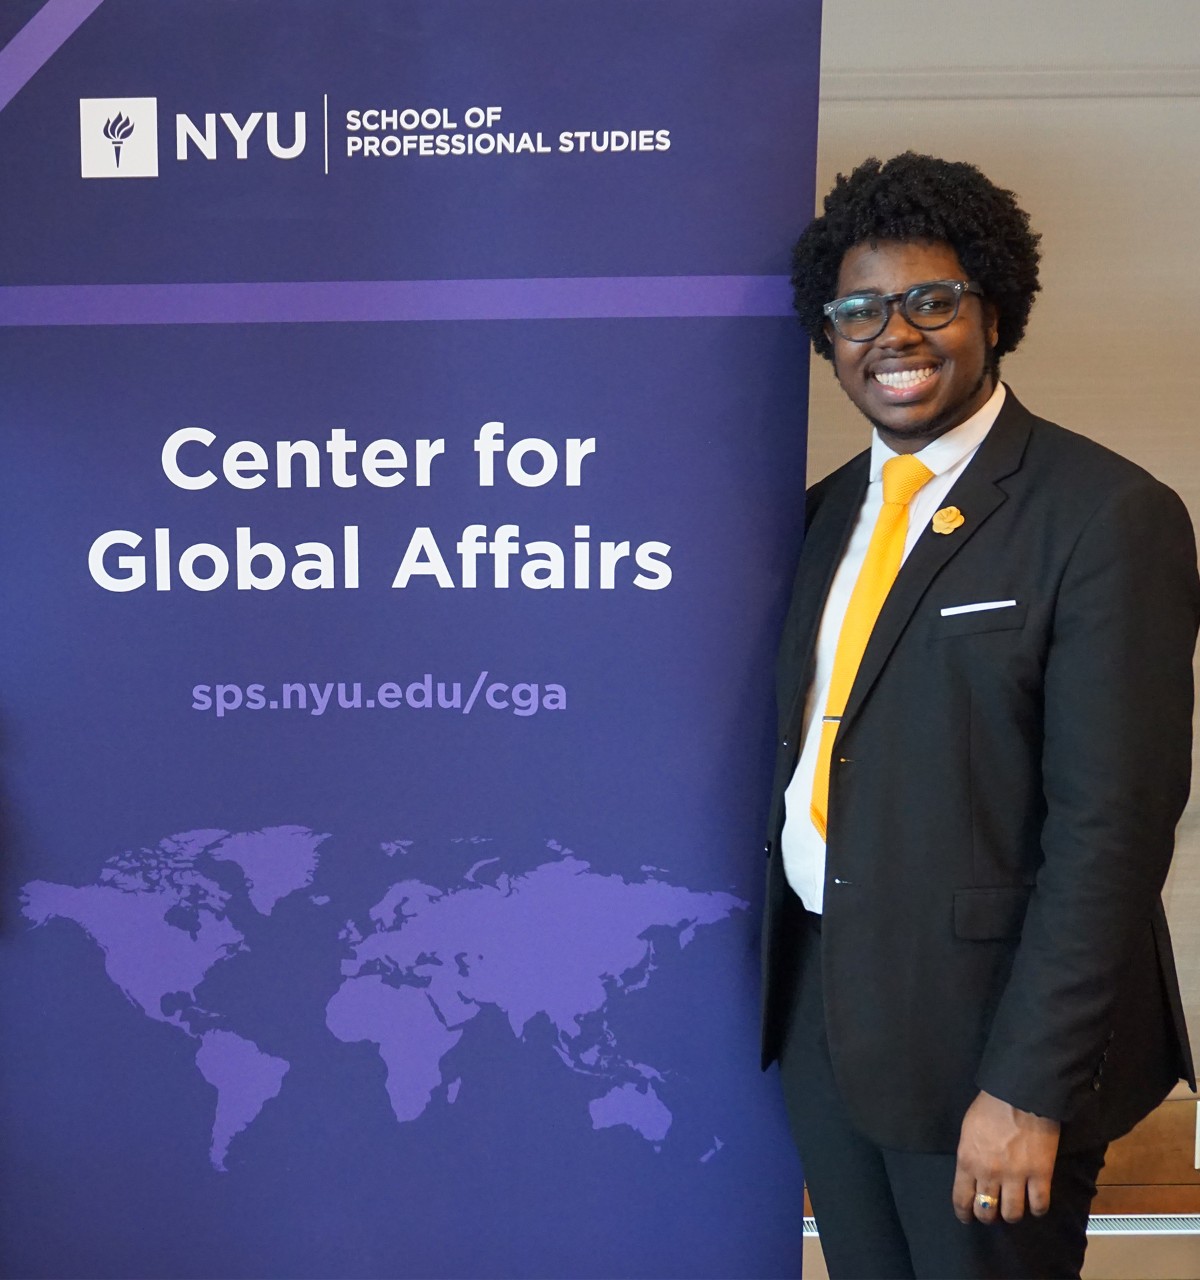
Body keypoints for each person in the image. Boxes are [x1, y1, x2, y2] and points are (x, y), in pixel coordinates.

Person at [760, 152, 1199, 1279]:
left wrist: (1028, 1087)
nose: (893, 334)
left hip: (991, 1047)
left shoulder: (1108, 518)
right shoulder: (817, 519)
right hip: (831, 1022)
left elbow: (1112, 832)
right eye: (857, 309)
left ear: (993, 311)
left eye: (931, 300)